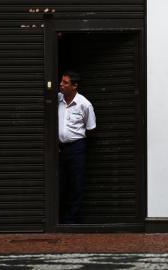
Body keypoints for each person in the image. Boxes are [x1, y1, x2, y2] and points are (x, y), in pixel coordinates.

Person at [58, 70, 96, 224]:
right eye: (61, 81)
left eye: (65, 82)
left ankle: (71, 220)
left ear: (74, 86)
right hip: (58, 149)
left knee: (76, 185)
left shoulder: (85, 104)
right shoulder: (56, 99)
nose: (61, 84)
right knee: (59, 183)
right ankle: (58, 218)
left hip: (76, 148)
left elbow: (91, 128)